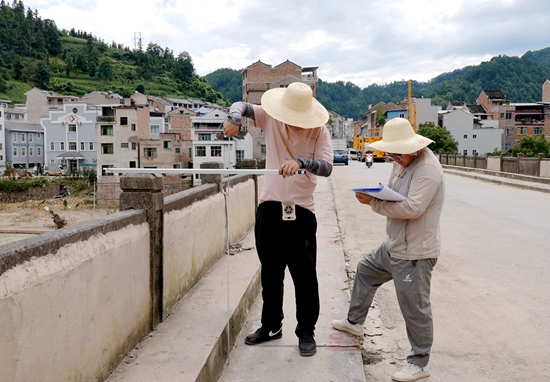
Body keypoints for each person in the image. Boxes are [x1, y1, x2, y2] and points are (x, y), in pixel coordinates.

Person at [223, 82, 333, 357]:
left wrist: (302, 162)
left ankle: (306, 330)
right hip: (270, 206)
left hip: (302, 211)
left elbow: (327, 167)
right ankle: (271, 326)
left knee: (305, 277)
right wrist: (234, 120)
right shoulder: (271, 117)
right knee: (271, 274)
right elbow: (242, 106)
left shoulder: (319, 130)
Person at [331, 118, 445, 382]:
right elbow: (394, 193)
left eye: (397, 152)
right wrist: (379, 193)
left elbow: (412, 209)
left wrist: (373, 203)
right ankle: (355, 322)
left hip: (415, 252)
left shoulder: (427, 169)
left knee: (414, 307)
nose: (394, 158)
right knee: (366, 269)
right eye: (391, 152)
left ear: (413, 146)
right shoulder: (402, 162)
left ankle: (419, 362)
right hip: (394, 245)